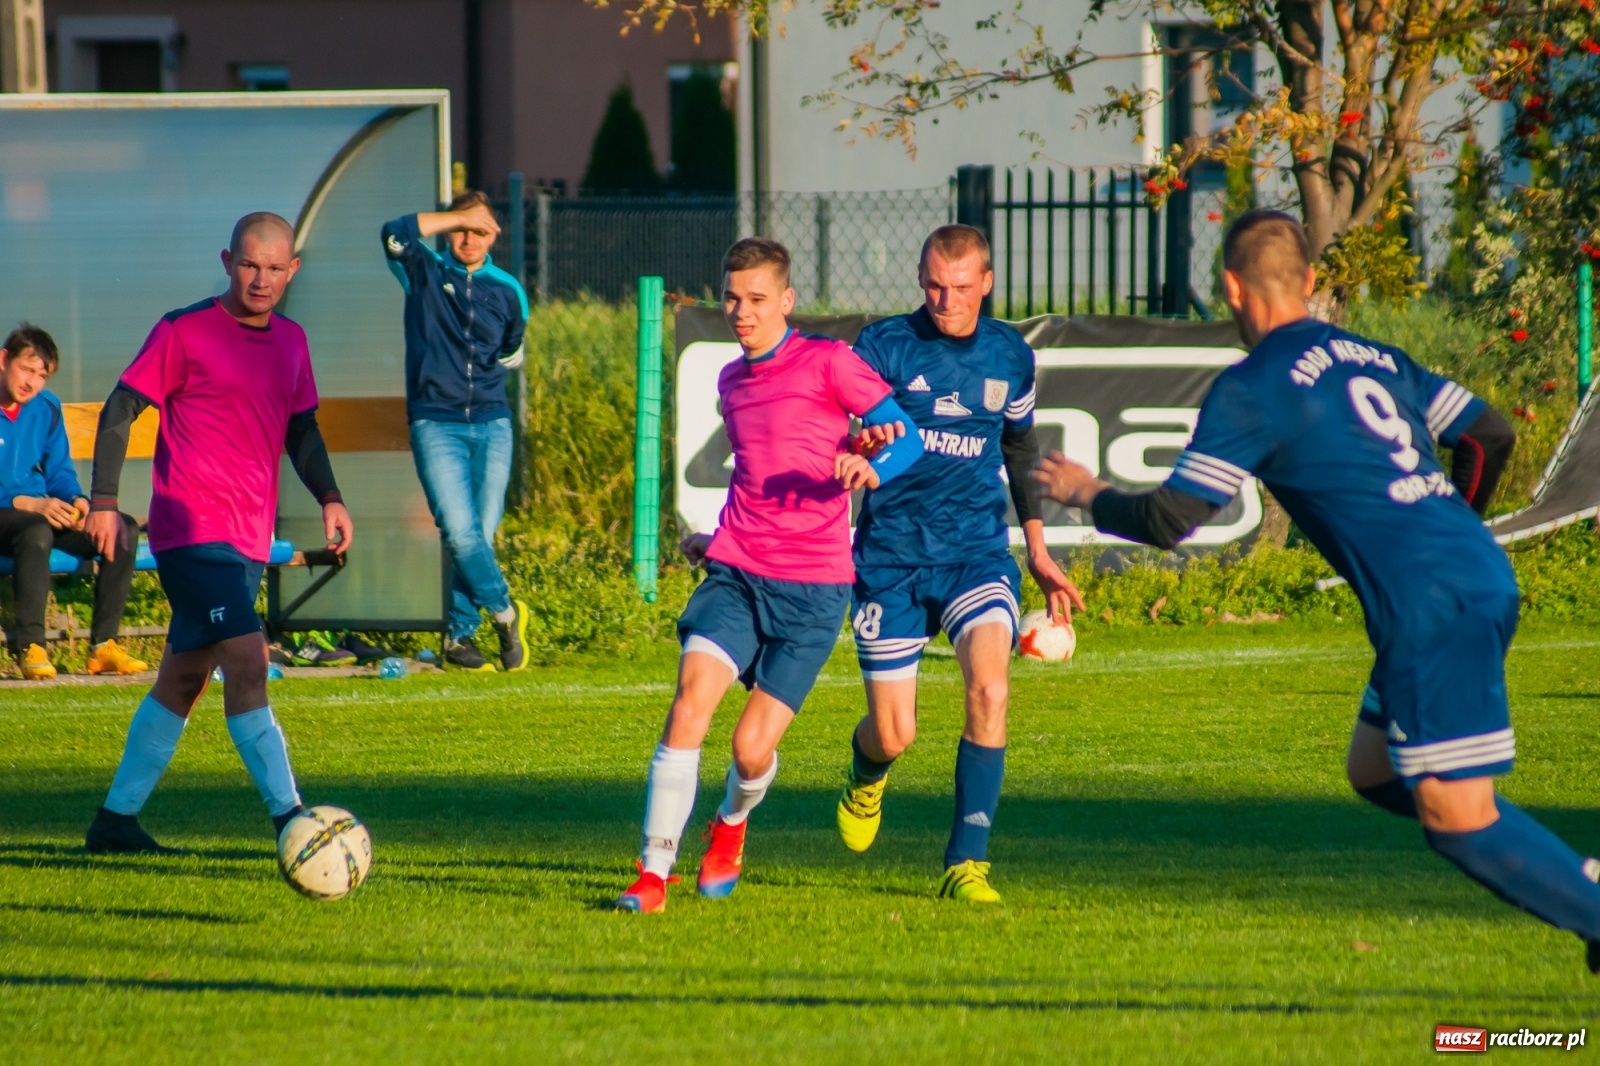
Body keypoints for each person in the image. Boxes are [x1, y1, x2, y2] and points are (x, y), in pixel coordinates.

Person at [1032, 208, 1600, 971]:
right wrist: (1450, 528)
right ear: (1305, 282)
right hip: (1474, 571)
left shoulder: (1255, 386)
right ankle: (1571, 877)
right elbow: (1488, 433)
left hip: (1428, 601)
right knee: (1372, 770)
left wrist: (1088, 490)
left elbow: (1172, 518)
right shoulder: (1376, 355)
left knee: (1452, 816)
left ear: (1231, 286)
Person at [614, 238, 924, 913]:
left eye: (756, 299)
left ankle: (729, 827)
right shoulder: (732, 380)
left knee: (750, 750)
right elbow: (757, 472)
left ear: (786, 300)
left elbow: (907, 435)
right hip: (738, 572)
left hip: (815, 590)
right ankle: (652, 874)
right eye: (731, 297)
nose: (740, 311)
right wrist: (715, 536)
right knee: (689, 704)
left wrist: (871, 465)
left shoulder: (829, 363)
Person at [81, 212, 354, 853]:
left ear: (293, 270)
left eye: (275, 267)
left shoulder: (292, 342)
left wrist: (332, 498)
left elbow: (303, 430)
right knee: (249, 661)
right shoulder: (185, 329)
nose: (261, 279)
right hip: (191, 529)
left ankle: (114, 822)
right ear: (227, 260)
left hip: (247, 539)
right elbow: (122, 407)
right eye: (250, 264)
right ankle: (292, 820)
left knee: (183, 679)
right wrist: (103, 501)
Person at [834, 224, 1085, 904]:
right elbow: (839, 431)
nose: (946, 301)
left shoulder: (1010, 354)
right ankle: (866, 771)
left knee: (990, 689)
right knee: (894, 732)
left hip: (976, 552)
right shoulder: (882, 346)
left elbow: (1021, 450)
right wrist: (855, 443)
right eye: (934, 287)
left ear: (988, 283)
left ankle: (966, 862)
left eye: (961, 289)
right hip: (890, 558)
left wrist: (1036, 548)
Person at [380, 191, 529, 672]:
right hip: (435, 422)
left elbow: (511, 351)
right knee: (461, 534)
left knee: (480, 533)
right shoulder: (425, 270)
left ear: (493, 236)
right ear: (448, 229)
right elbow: (392, 231)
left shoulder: (508, 289)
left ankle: (459, 638)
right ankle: (506, 615)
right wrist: (459, 215)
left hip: (492, 422)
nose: (468, 238)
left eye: (479, 229)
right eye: (461, 228)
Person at [0, 324, 147, 680]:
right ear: (4, 360)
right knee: (36, 532)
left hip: (37, 511)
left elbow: (59, 471)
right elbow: (27, 503)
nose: (31, 382)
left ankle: (103, 647)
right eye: (26, 369)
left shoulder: (46, 407)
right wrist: (26, 503)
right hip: (20, 516)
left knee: (120, 528)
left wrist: (79, 501)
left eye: (41, 375)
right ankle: (31, 646)